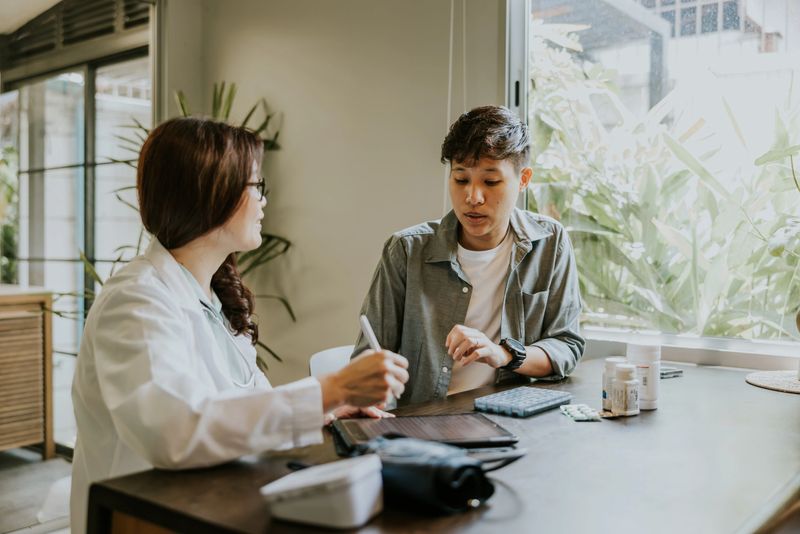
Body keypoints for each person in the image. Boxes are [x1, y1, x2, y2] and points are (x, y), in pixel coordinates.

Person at [70, 117, 408, 533]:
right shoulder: (136, 300)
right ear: (210, 193)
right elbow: (172, 432)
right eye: (255, 187)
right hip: (145, 518)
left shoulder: (210, 296)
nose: (264, 201)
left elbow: (237, 412)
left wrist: (326, 408)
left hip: (208, 501)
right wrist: (331, 388)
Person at [352, 105, 583, 406]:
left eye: (490, 181)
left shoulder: (549, 243)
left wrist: (504, 354)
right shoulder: (406, 250)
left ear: (523, 179)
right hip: (425, 425)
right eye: (461, 180)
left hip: (509, 418)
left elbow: (566, 345)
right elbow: (368, 358)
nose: (473, 197)